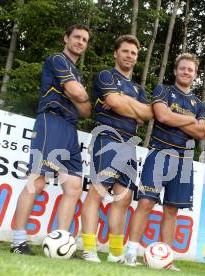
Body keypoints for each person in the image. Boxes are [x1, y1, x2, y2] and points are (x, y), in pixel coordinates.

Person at [11, 24, 91, 255]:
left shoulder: (78, 74)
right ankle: (18, 242)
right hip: (51, 120)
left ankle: (62, 243)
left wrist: (77, 93)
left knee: (74, 186)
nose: (80, 42)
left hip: (70, 127)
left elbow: (86, 110)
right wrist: (77, 94)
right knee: (36, 181)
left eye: (85, 40)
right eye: (77, 37)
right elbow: (78, 96)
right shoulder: (58, 59)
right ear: (66, 38)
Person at [124, 53, 205, 270]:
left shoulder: (199, 104)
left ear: (195, 74)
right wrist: (189, 120)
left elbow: (200, 133)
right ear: (175, 70)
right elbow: (162, 116)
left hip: (184, 159)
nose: (186, 72)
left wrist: (176, 118)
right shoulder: (163, 90)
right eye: (183, 68)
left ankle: (165, 259)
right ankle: (131, 253)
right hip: (159, 152)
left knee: (172, 210)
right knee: (146, 202)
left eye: (190, 69)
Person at [80, 35, 153, 263]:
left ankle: (115, 254)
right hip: (107, 137)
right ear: (116, 53)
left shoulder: (139, 89)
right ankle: (89, 249)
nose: (129, 56)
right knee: (97, 193)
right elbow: (113, 102)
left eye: (133, 53)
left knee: (123, 199)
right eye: (125, 51)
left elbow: (148, 115)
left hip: (130, 143)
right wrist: (128, 105)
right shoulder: (106, 75)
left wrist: (125, 102)